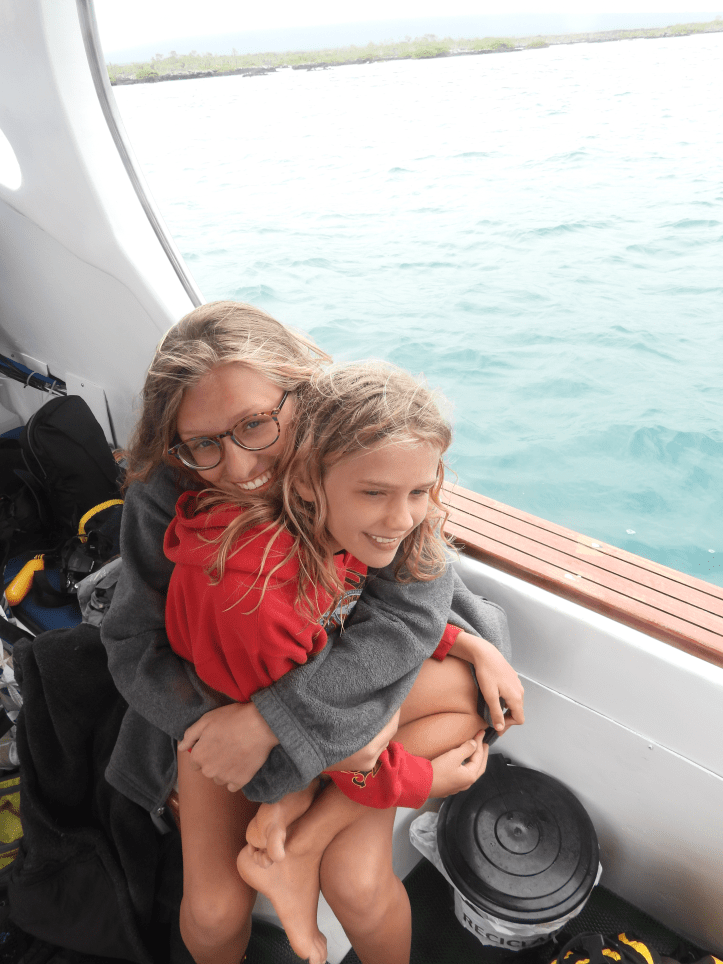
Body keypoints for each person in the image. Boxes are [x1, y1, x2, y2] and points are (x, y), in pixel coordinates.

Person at [101, 301, 524, 964]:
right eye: (205, 443)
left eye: (256, 424)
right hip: (218, 699)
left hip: (347, 681)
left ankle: (300, 832)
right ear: (177, 442)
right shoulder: (170, 493)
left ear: (303, 393)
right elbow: (132, 642)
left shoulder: (367, 448)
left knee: (356, 883)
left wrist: (282, 722)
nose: (239, 467)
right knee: (211, 915)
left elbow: (410, 610)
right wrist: (237, 730)